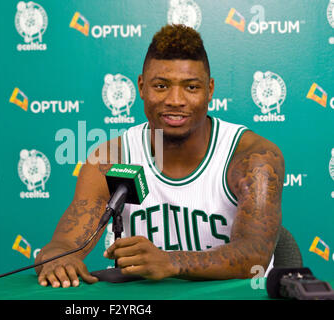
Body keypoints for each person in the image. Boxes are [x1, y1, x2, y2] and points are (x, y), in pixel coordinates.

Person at [34, 24, 284, 288]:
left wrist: (171, 262)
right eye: (161, 85)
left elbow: (254, 256)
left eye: (191, 87)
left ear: (210, 90)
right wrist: (57, 260)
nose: (175, 100)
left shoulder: (251, 156)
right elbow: (65, 245)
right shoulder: (112, 157)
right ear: (141, 87)